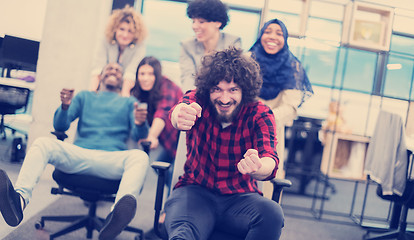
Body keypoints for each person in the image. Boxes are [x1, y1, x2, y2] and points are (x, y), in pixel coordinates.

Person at [0, 63, 149, 240]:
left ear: (122, 80)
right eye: (109, 68)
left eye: (118, 70)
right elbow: (60, 125)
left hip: (111, 160)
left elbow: (140, 134)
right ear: (100, 76)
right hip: (80, 155)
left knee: (140, 156)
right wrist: (64, 107)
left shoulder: (129, 103)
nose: (113, 71)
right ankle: (19, 201)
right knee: (42, 143)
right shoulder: (85, 96)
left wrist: (140, 123)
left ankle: (114, 219)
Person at [164, 47, 284, 240]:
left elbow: (270, 158)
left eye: (233, 90)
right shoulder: (197, 100)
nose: (225, 98)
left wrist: (258, 166)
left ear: (245, 90)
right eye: (217, 89)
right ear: (207, 89)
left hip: (240, 198)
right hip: (196, 192)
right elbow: (178, 111)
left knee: (272, 214)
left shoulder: (260, 113)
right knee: (183, 234)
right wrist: (180, 116)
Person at [249, 18, 313, 178]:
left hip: (271, 131)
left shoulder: (293, 67)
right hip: (242, 127)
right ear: (260, 36)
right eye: (267, 31)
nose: (272, 37)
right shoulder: (247, 59)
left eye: (279, 33)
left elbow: (291, 107)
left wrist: (264, 118)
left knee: (265, 184)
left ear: (285, 39)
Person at [130, 56, 183, 190]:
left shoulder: (168, 86)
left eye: (150, 74)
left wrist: (152, 135)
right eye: (142, 74)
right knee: (161, 167)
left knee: (176, 175)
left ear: (157, 75)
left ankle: (170, 208)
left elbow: (163, 112)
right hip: (170, 141)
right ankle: (172, 203)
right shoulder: (140, 91)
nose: (145, 78)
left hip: (183, 139)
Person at [180, 0, 241, 92]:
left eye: (201, 22)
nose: (194, 26)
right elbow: (188, 77)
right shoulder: (187, 45)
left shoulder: (232, 43)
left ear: (218, 23)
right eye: (193, 21)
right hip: (197, 95)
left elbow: (232, 78)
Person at [90, 5, 147, 97]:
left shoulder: (140, 47)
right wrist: (91, 95)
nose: (125, 35)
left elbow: (130, 73)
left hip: (126, 89)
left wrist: (123, 99)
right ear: (115, 28)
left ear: (136, 33)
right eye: (122, 29)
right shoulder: (105, 41)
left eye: (130, 31)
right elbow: (98, 68)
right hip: (104, 87)